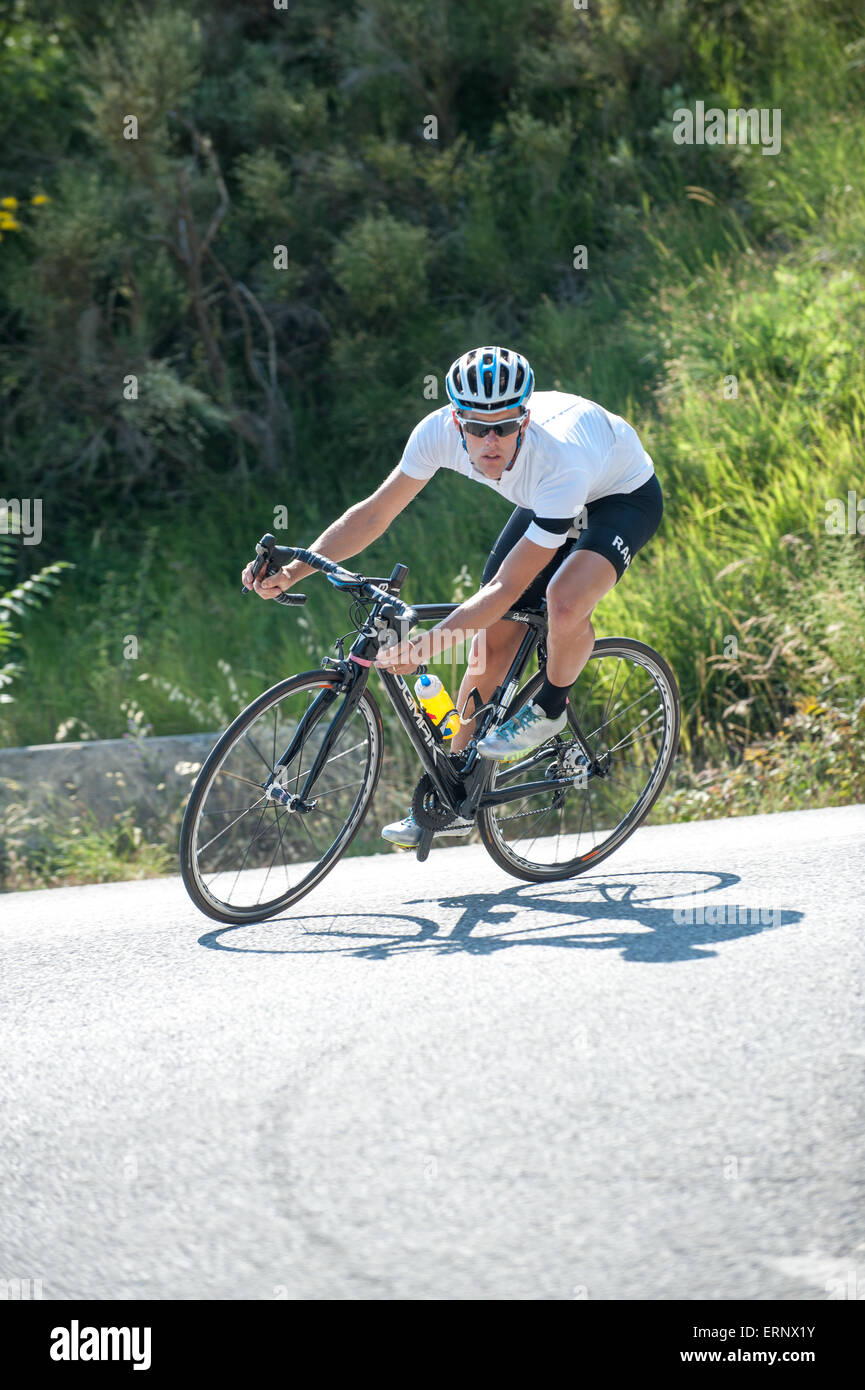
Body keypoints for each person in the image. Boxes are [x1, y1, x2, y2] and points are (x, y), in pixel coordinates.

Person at [242, 346, 663, 849]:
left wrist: (426, 647)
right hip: (546, 503)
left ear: (524, 420)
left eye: (504, 426)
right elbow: (376, 514)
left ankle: (550, 706)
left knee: (565, 600)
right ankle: (454, 801)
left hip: (620, 496)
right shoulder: (436, 434)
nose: (490, 440)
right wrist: (293, 571)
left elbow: (505, 589)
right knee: (490, 644)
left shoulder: (558, 460)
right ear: (455, 419)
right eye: (477, 426)